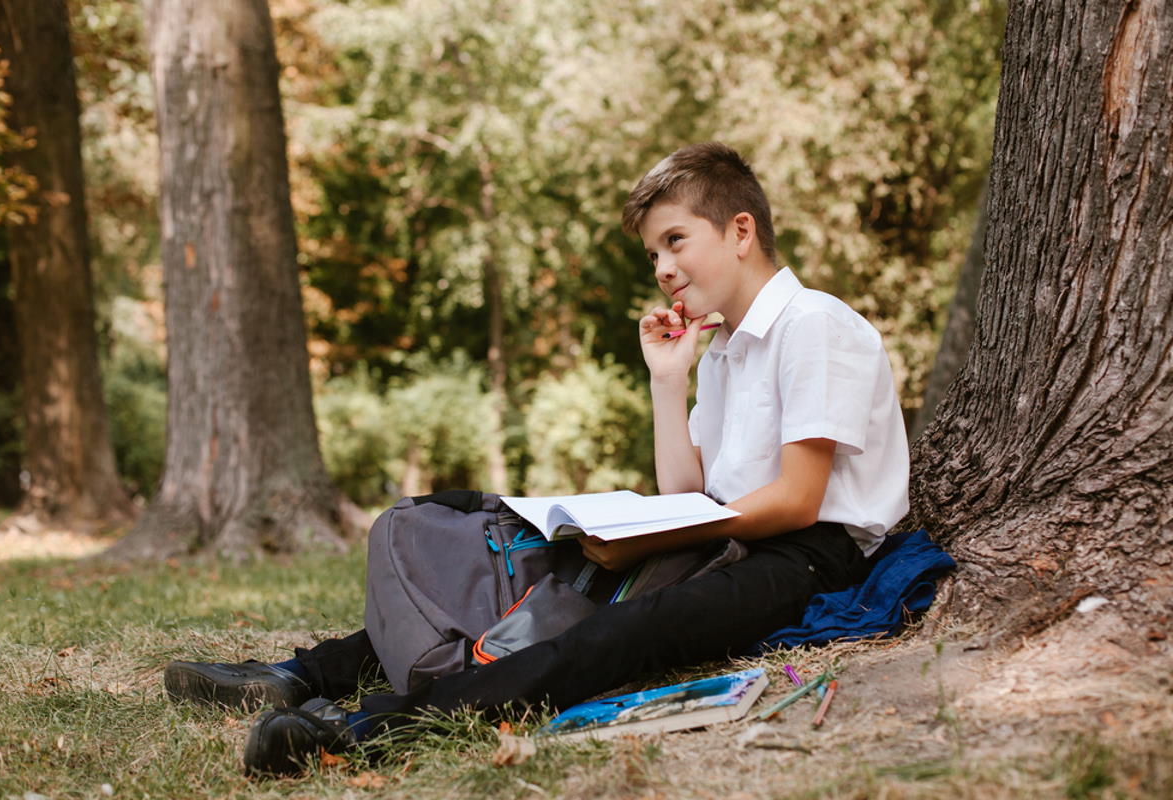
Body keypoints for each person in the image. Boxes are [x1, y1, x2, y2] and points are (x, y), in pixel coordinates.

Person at [164, 142, 910, 775]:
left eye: (675, 241)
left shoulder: (812, 323)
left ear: (741, 230)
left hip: (804, 555)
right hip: (726, 534)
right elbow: (687, 487)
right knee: (531, 577)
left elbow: (800, 500)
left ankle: (370, 731)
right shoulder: (719, 354)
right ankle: (300, 674)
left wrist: (661, 535)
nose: (661, 268)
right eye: (653, 253)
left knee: (626, 631)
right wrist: (668, 379)